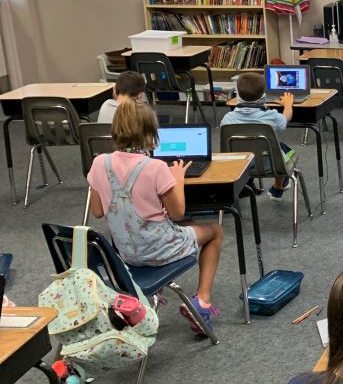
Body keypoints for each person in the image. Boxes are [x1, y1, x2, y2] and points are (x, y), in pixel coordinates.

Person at [86, 101, 223, 332]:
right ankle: (202, 301)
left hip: (126, 256)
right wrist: (177, 178)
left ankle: (152, 297)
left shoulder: (99, 162)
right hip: (160, 251)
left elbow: (97, 211)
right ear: (151, 131)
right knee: (215, 231)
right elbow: (178, 213)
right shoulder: (156, 167)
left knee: (186, 227)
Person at [221, 71, 294, 200]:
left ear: (236, 94)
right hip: (270, 165)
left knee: (253, 146)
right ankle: (278, 187)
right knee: (280, 148)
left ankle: (244, 185)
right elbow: (285, 120)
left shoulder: (227, 119)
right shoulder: (271, 116)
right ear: (263, 95)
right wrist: (288, 105)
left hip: (238, 166)